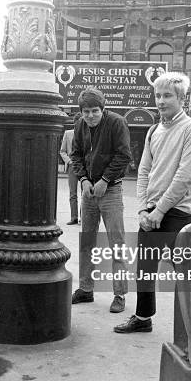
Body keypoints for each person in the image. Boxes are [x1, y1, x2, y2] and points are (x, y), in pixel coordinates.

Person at [114, 71, 191, 334]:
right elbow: (144, 171)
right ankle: (143, 318)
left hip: (178, 213)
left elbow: (185, 176)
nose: (161, 100)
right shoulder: (154, 130)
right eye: (158, 95)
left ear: (181, 98)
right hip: (151, 212)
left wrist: (160, 210)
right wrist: (144, 208)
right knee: (145, 269)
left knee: (186, 273)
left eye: (167, 95)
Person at [70, 86, 133, 313]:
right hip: (88, 191)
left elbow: (124, 155)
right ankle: (86, 289)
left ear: (103, 109)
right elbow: (76, 154)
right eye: (86, 111)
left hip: (111, 190)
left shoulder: (117, 123)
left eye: (94, 111)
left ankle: (120, 294)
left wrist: (105, 179)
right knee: (87, 242)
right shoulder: (80, 125)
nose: (90, 116)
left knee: (117, 243)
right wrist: (84, 180)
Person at [60, 112, 82, 225]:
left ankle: (83, 218)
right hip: (72, 166)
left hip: (85, 167)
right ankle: (74, 217)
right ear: (74, 123)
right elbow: (62, 151)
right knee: (73, 193)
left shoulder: (89, 134)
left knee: (86, 193)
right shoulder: (68, 134)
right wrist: (69, 161)